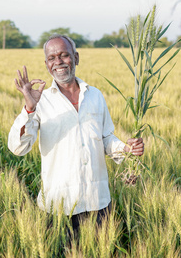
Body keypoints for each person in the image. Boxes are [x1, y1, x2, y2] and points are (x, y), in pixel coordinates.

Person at [7, 34, 144, 233]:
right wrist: (29, 108)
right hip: (59, 206)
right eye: (52, 58)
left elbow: (105, 138)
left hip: (97, 201)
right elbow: (18, 148)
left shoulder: (95, 95)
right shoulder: (40, 101)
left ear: (76, 58)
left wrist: (127, 148)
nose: (58, 62)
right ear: (46, 64)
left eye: (64, 55)